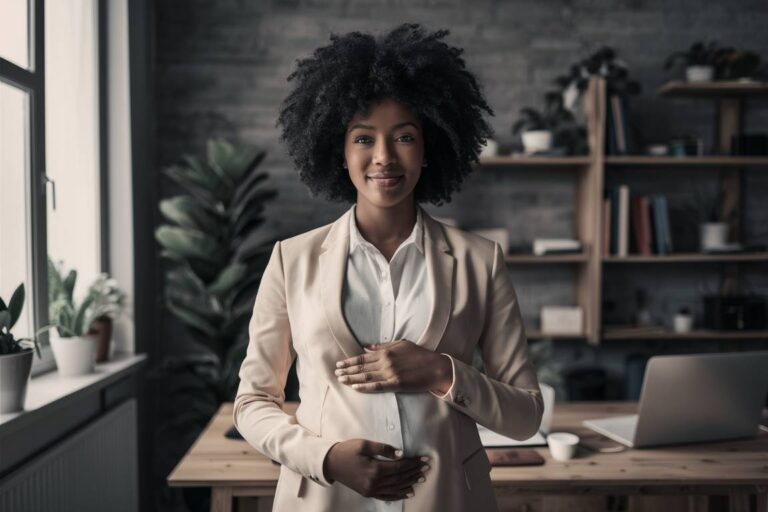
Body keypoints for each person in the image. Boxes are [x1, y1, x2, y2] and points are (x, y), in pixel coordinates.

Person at [233, 23, 543, 512]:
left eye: (404, 137)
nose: (383, 157)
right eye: (363, 139)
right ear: (339, 149)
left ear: (429, 149)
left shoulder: (480, 262)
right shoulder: (290, 261)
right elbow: (252, 403)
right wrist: (327, 458)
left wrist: (443, 372)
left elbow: (526, 415)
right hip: (325, 500)